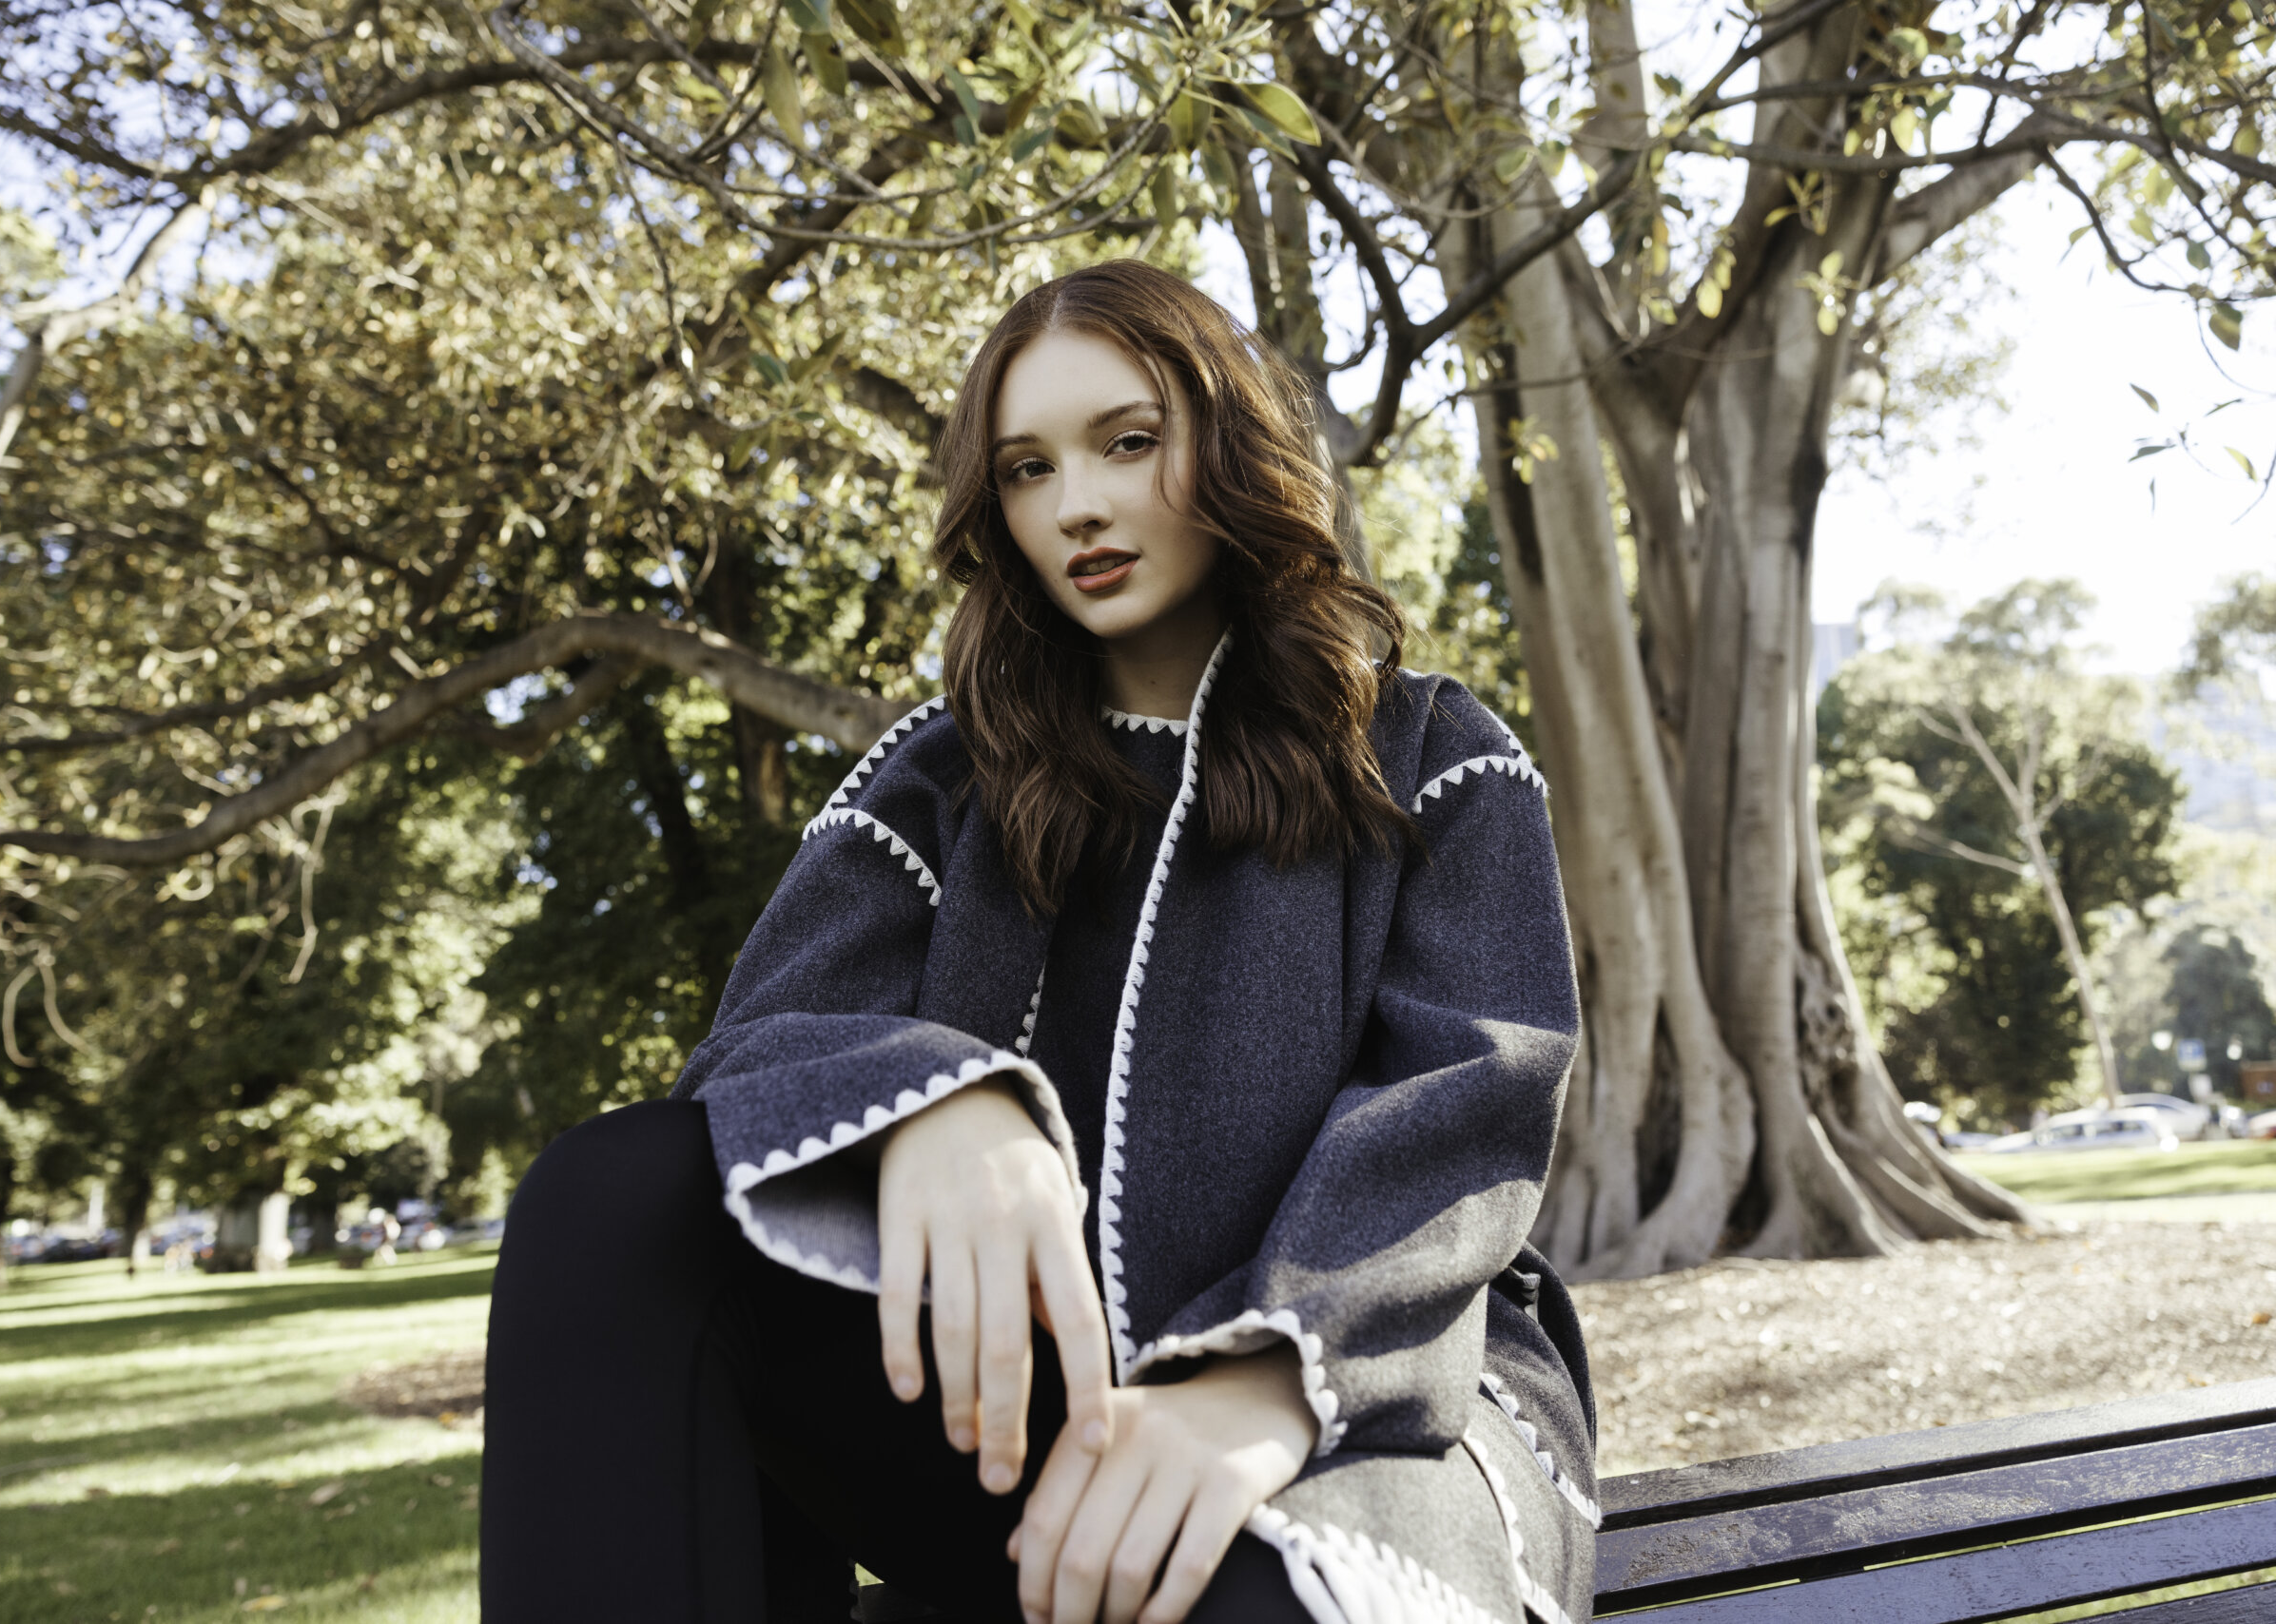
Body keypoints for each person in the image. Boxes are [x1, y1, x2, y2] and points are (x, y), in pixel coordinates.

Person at [480, 260, 1597, 1624]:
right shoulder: (940, 778)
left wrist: (1269, 1375)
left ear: (1233, 442)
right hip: (1017, 1418)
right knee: (615, 1198)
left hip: (1375, 1394)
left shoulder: (1432, 755)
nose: (1077, 505)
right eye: (1024, 469)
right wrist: (941, 1105)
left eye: (1130, 442)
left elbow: (1470, 1108)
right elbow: (760, 1040)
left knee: (1273, 1596)